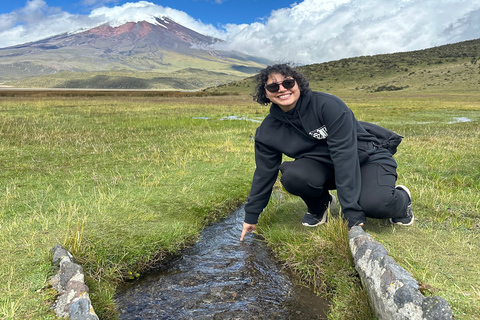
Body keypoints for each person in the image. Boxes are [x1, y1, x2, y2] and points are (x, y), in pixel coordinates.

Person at [240, 64, 414, 241]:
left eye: (288, 83)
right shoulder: (268, 130)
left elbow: (344, 156)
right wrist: (251, 216)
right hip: (324, 166)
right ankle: (321, 205)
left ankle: (402, 201)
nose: (282, 89)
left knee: (375, 205)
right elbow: (264, 174)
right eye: (273, 86)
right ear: (266, 93)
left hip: (366, 158)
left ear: (298, 84)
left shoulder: (327, 105)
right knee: (293, 176)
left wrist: (351, 212)